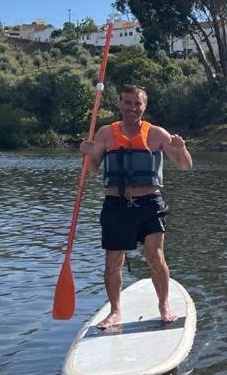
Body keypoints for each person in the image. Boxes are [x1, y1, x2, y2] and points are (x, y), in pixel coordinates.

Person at [79, 85, 193, 330]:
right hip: (116, 204)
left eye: (137, 103)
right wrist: (86, 154)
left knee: (155, 256)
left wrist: (181, 148)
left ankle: (164, 305)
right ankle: (115, 311)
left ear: (144, 106)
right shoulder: (105, 133)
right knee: (113, 262)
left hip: (149, 203)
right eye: (128, 103)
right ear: (121, 103)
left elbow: (185, 166)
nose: (132, 108)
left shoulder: (156, 134)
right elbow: (91, 170)